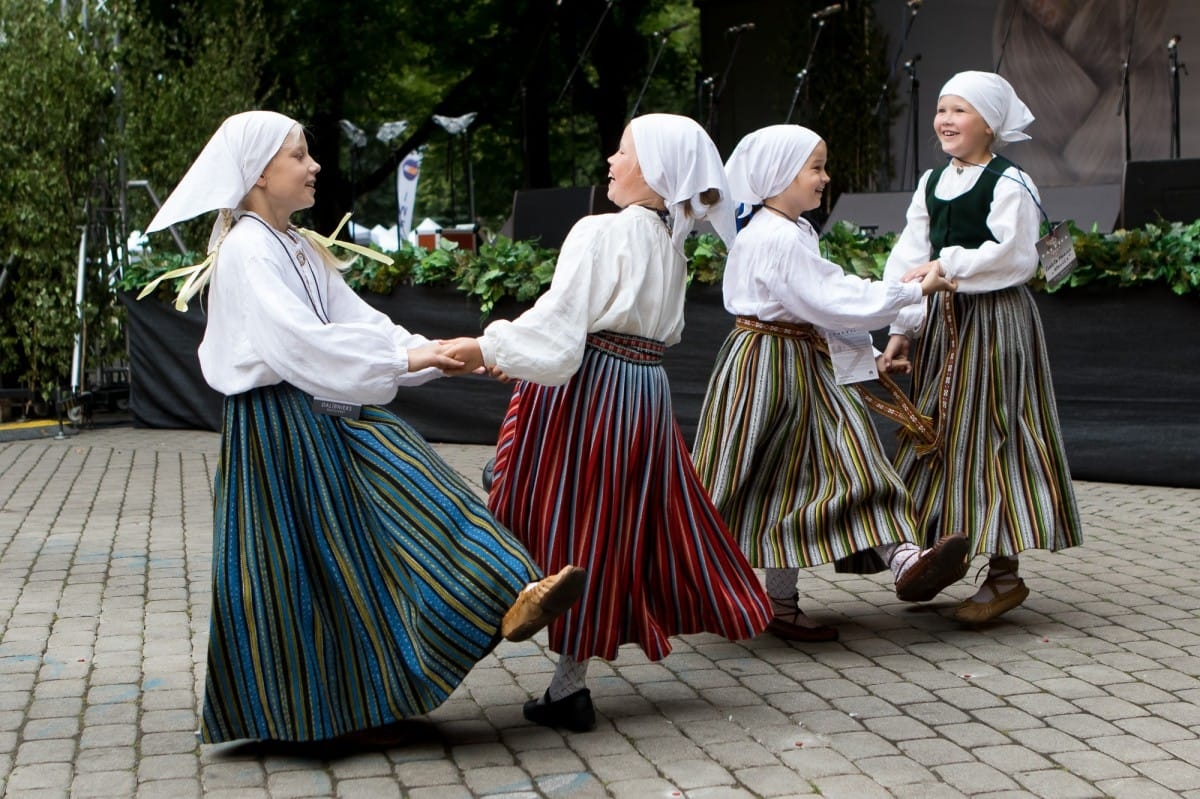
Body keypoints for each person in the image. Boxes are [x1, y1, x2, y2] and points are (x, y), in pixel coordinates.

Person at [140, 110, 586, 745]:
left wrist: (428, 351)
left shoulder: (296, 243)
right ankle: (298, 709)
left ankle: (507, 590)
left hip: (322, 404)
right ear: (260, 173)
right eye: (299, 156)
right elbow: (300, 344)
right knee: (305, 567)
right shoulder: (245, 250)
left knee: (414, 485)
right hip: (278, 425)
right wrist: (409, 359)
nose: (314, 165)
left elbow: (357, 320)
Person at [444, 113, 773, 733]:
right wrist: (516, 349)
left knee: (530, 499)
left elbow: (562, 329)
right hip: (644, 397)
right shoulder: (671, 247)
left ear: (656, 170)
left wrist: (489, 348)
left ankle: (482, 607)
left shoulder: (599, 230)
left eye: (622, 152)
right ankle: (568, 686)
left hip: (587, 389)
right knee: (604, 528)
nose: (610, 162)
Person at [691, 124, 969, 644]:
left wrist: (864, 355)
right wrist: (912, 293)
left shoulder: (791, 230)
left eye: (823, 165)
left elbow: (818, 309)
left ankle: (897, 562)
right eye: (815, 167)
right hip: (771, 368)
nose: (825, 177)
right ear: (777, 176)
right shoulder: (773, 237)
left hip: (797, 358)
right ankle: (684, 579)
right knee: (784, 477)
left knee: (841, 460)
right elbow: (830, 299)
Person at [880, 72, 1084, 624]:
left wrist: (950, 265)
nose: (944, 120)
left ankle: (1003, 574)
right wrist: (900, 328)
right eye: (941, 110)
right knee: (945, 435)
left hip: (994, 323)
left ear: (989, 123)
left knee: (994, 433)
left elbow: (1015, 255)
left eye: (959, 111)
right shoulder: (931, 182)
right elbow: (908, 257)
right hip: (945, 323)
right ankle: (941, 551)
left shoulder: (1010, 182)